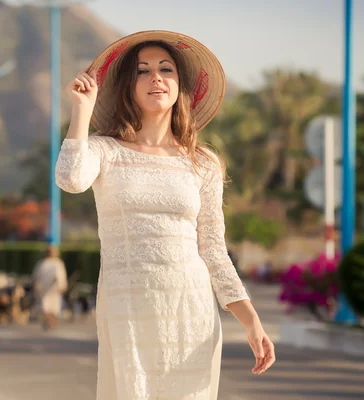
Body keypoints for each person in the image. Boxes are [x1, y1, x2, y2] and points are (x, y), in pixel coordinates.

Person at [55, 30, 276, 399]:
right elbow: (70, 179)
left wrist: (252, 322)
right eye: (143, 71)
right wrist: (81, 111)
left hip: (191, 310)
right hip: (129, 310)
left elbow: (214, 252)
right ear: (130, 86)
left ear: (179, 86)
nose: (155, 77)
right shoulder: (105, 151)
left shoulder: (203, 163)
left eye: (165, 69)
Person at [32, 245, 68, 330]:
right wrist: (36, 284)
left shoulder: (58, 263)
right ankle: (49, 322)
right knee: (45, 307)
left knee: (55, 308)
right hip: (44, 290)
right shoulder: (42, 263)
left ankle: (53, 322)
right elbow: (36, 275)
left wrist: (62, 286)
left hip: (54, 290)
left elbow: (61, 276)